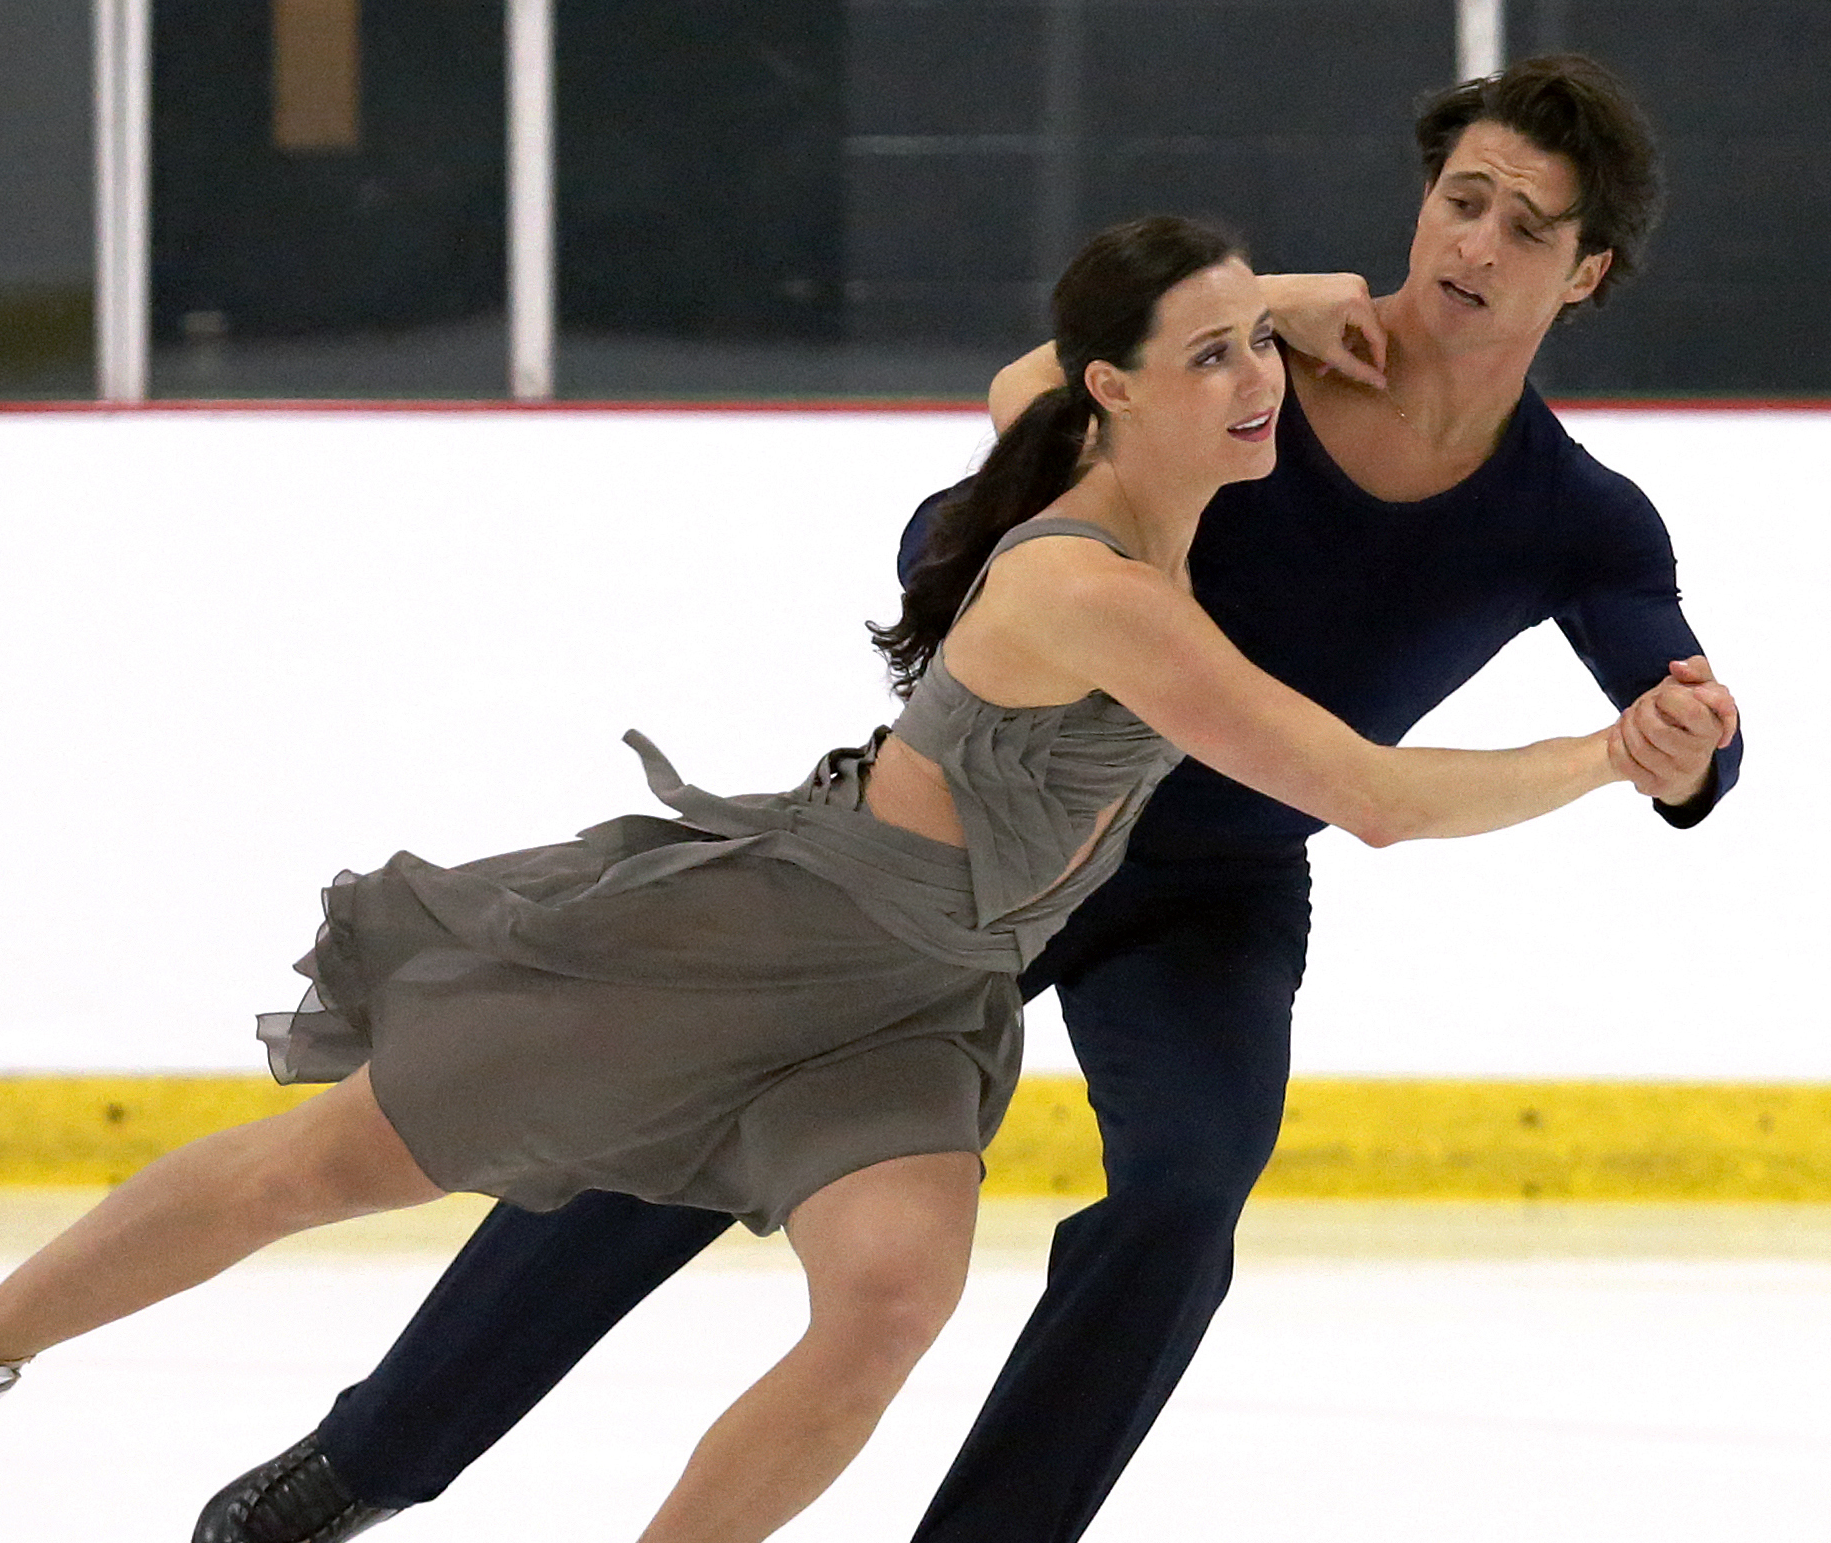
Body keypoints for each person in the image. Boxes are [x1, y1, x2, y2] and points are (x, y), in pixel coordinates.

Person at [0, 214, 1679, 1543]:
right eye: (1221, 358)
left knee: (890, 1294)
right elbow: (1377, 799)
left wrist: (1299, 297)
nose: (1270, 383)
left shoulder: (1150, 511)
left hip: (927, 1001)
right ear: (1117, 394)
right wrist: (1613, 750)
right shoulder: (1097, 586)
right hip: (765, 937)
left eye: (1269, 347)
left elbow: (1051, 355)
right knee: (327, 1162)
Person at [187, 52, 1746, 1543]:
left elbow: (1676, 706)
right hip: (981, 830)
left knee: (1186, 1201)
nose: (1473, 242)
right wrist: (1269, 303)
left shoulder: (1575, 516)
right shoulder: (1254, 359)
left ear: (1586, 274)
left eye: (1525, 226)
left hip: (1205, 886)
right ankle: (367, 1458)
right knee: (679, 1106)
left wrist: (1687, 746)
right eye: (1460, 197)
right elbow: (1032, 401)